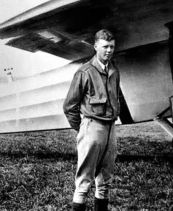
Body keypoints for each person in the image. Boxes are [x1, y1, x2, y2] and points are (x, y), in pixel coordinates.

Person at [63, 29, 120, 211]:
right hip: (92, 128)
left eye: (111, 47)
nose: (109, 50)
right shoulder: (85, 72)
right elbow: (69, 106)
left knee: (104, 181)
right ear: (95, 47)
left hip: (110, 129)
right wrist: (82, 128)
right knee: (84, 182)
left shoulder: (114, 71)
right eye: (105, 47)